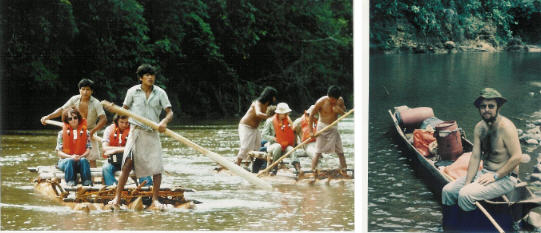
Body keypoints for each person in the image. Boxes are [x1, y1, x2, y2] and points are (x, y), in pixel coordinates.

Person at [441, 88, 521, 231]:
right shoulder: (479, 127)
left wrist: (496, 176)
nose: (486, 110)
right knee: (447, 191)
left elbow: (517, 157)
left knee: (465, 196)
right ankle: (449, 226)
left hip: (505, 177)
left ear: (498, 107)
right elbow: (476, 156)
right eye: (483, 106)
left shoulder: (506, 127)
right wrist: (467, 182)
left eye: (491, 106)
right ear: (479, 108)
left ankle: (470, 228)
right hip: (484, 173)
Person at [108, 64, 173, 209]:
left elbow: (170, 112)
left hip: (152, 133)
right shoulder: (132, 92)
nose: (150, 77)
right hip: (136, 131)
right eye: (147, 75)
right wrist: (115, 109)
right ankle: (117, 198)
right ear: (141, 78)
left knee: (157, 167)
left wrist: (163, 122)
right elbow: (123, 111)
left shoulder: (160, 93)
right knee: (127, 164)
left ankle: (155, 199)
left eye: (152, 75)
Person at [41, 79, 107, 168]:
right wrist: (48, 117)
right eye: (83, 89)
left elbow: (103, 119)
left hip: (90, 130)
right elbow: (62, 109)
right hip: (74, 129)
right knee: (70, 153)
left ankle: (92, 178)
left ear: (92, 91)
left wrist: (93, 131)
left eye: (87, 90)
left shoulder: (96, 103)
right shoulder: (74, 99)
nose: (85, 92)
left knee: (92, 157)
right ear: (79, 90)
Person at [101, 114, 152, 186]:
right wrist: (125, 149)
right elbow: (105, 148)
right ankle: (112, 187)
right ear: (116, 121)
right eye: (122, 122)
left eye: (127, 122)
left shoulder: (134, 130)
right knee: (106, 168)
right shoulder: (109, 130)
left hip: (132, 160)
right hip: (115, 160)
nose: (124, 125)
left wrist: (116, 150)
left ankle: (148, 187)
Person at [309, 85, 347, 173]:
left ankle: (344, 170)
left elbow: (344, 113)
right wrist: (311, 131)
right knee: (318, 152)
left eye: (334, 100)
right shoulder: (321, 101)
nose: (332, 101)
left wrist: (340, 111)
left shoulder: (340, 101)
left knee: (340, 151)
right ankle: (312, 171)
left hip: (333, 128)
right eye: (330, 99)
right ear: (328, 95)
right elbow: (311, 115)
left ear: (338, 98)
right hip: (322, 127)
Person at [235, 86, 277, 166]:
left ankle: (249, 165)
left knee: (257, 147)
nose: (275, 99)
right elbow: (258, 114)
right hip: (246, 126)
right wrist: (271, 117)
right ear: (269, 96)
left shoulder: (267, 105)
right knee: (245, 147)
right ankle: (237, 164)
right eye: (274, 96)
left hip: (254, 128)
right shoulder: (257, 103)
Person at [261, 102, 302, 175]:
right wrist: (274, 139)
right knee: (278, 146)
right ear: (279, 113)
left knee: (291, 149)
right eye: (284, 113)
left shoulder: (288, 120)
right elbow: (264, 134)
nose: (287, 114)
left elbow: (293, 131)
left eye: (287, 113)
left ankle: (298, 168)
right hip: (273, 145)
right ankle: (274, 168)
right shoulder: (270, 121)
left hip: (286, 145)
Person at [55, 107, 92, 186]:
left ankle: (87, 182)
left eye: (75, 117)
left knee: (84, 161)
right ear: (67, 120)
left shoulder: (87, 133)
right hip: (65, 161)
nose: (73, 120)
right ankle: (70, 182)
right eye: (70, 119)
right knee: (69, 161)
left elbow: (88, 150)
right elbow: (59, 152)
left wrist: (80, 156)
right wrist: (71, 157)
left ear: (78, 118)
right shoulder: (61, 134)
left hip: (80, 160)